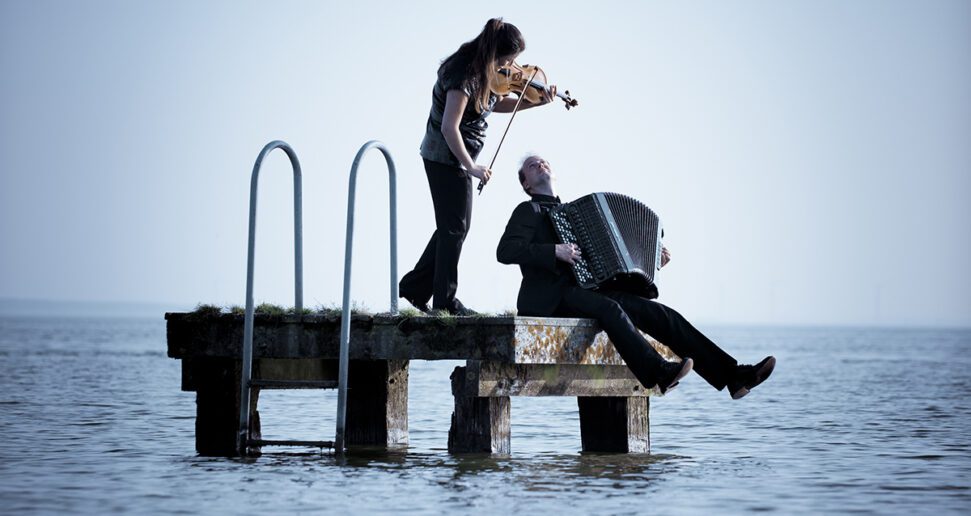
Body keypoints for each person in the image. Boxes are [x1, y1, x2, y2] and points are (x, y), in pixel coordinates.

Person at [496, 155, 776, 398]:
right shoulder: (528, 210)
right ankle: (658, 371)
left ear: (554, 174)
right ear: (527, 185)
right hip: (551, 297)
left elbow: (606, 265)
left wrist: (653, 263)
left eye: (544, 162)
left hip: (586, 292)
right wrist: (553, 251)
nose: (540, 164)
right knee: (610, 308)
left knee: (662, 315)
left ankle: (733, 376)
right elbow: (506, 251)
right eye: (532, 166)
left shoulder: (576, 213)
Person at [399, 18, 557, 315]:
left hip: (459, 158)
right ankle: (444, 301)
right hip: (444, 156)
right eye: (510, 59)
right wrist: (471, 166)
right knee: (455, 229)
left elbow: (494, 103)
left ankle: (412, 288)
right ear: (495, 52)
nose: (512, 66)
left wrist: (533, 103)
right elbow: (449, 127)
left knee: (452, 228)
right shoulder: (464, 75)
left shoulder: (489, 73)